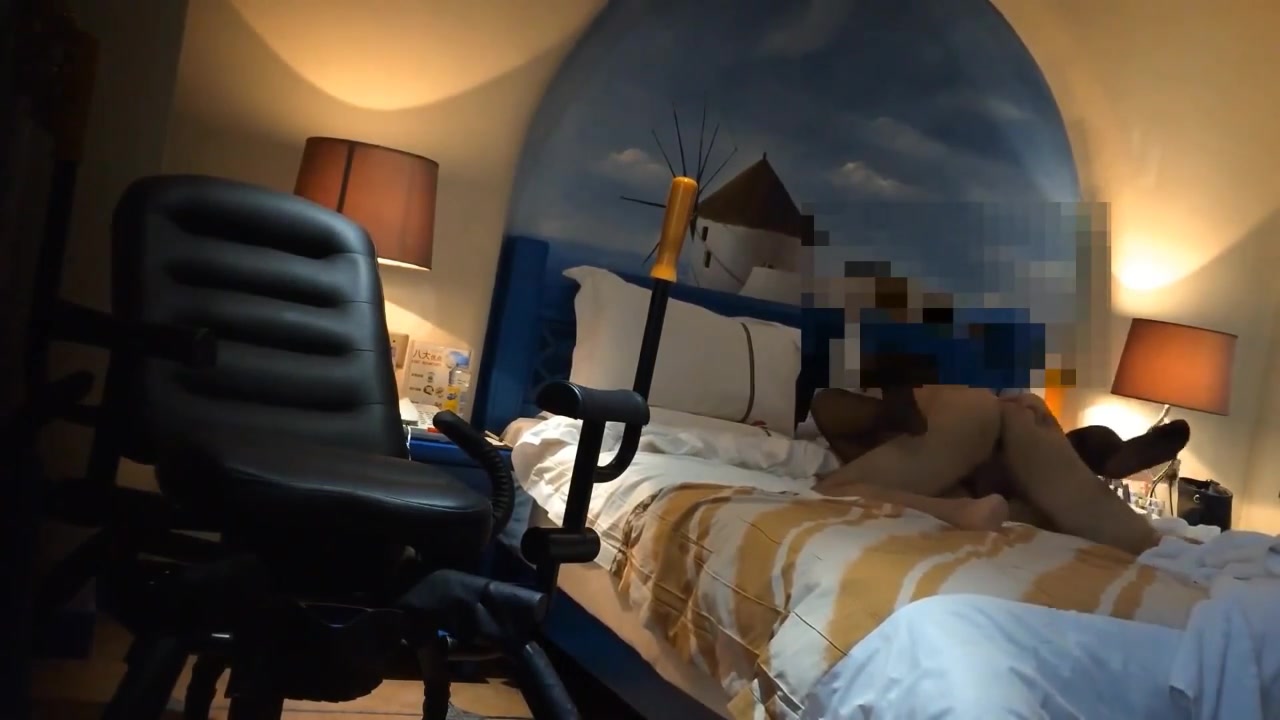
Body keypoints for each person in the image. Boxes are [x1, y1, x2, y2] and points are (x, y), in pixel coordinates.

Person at [808, 386, 1190, 555]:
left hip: (965, 455)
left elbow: (826, 406)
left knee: (829, 491)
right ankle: (1144, 533)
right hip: (982, 462)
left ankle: (958, 510)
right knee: (1042, 480)